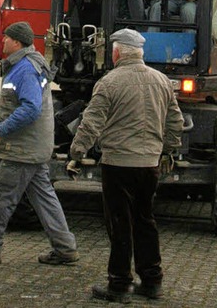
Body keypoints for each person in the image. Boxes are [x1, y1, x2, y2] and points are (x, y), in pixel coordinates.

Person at [69, 28, 183, 302]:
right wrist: (166, 150)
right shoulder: (162, 81)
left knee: (120, 223)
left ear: (117, 52)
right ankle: (152, 281)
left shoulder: (109, 83)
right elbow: (176, 123)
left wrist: (76, 151)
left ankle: (119, 285)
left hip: (119, 164)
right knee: (146, 220)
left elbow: (92, 121)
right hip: (149, 165)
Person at [0, 21, 78, 266]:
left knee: (1, 199)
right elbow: (23, 102)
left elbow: (31, 108)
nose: (2, 41)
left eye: (6, 38)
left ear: (17, 42)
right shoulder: (31, 64)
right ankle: (65, 248)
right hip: (35, 146)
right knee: (45, 199)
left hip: (21, 150)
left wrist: (1, 130)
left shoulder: (24, 69)